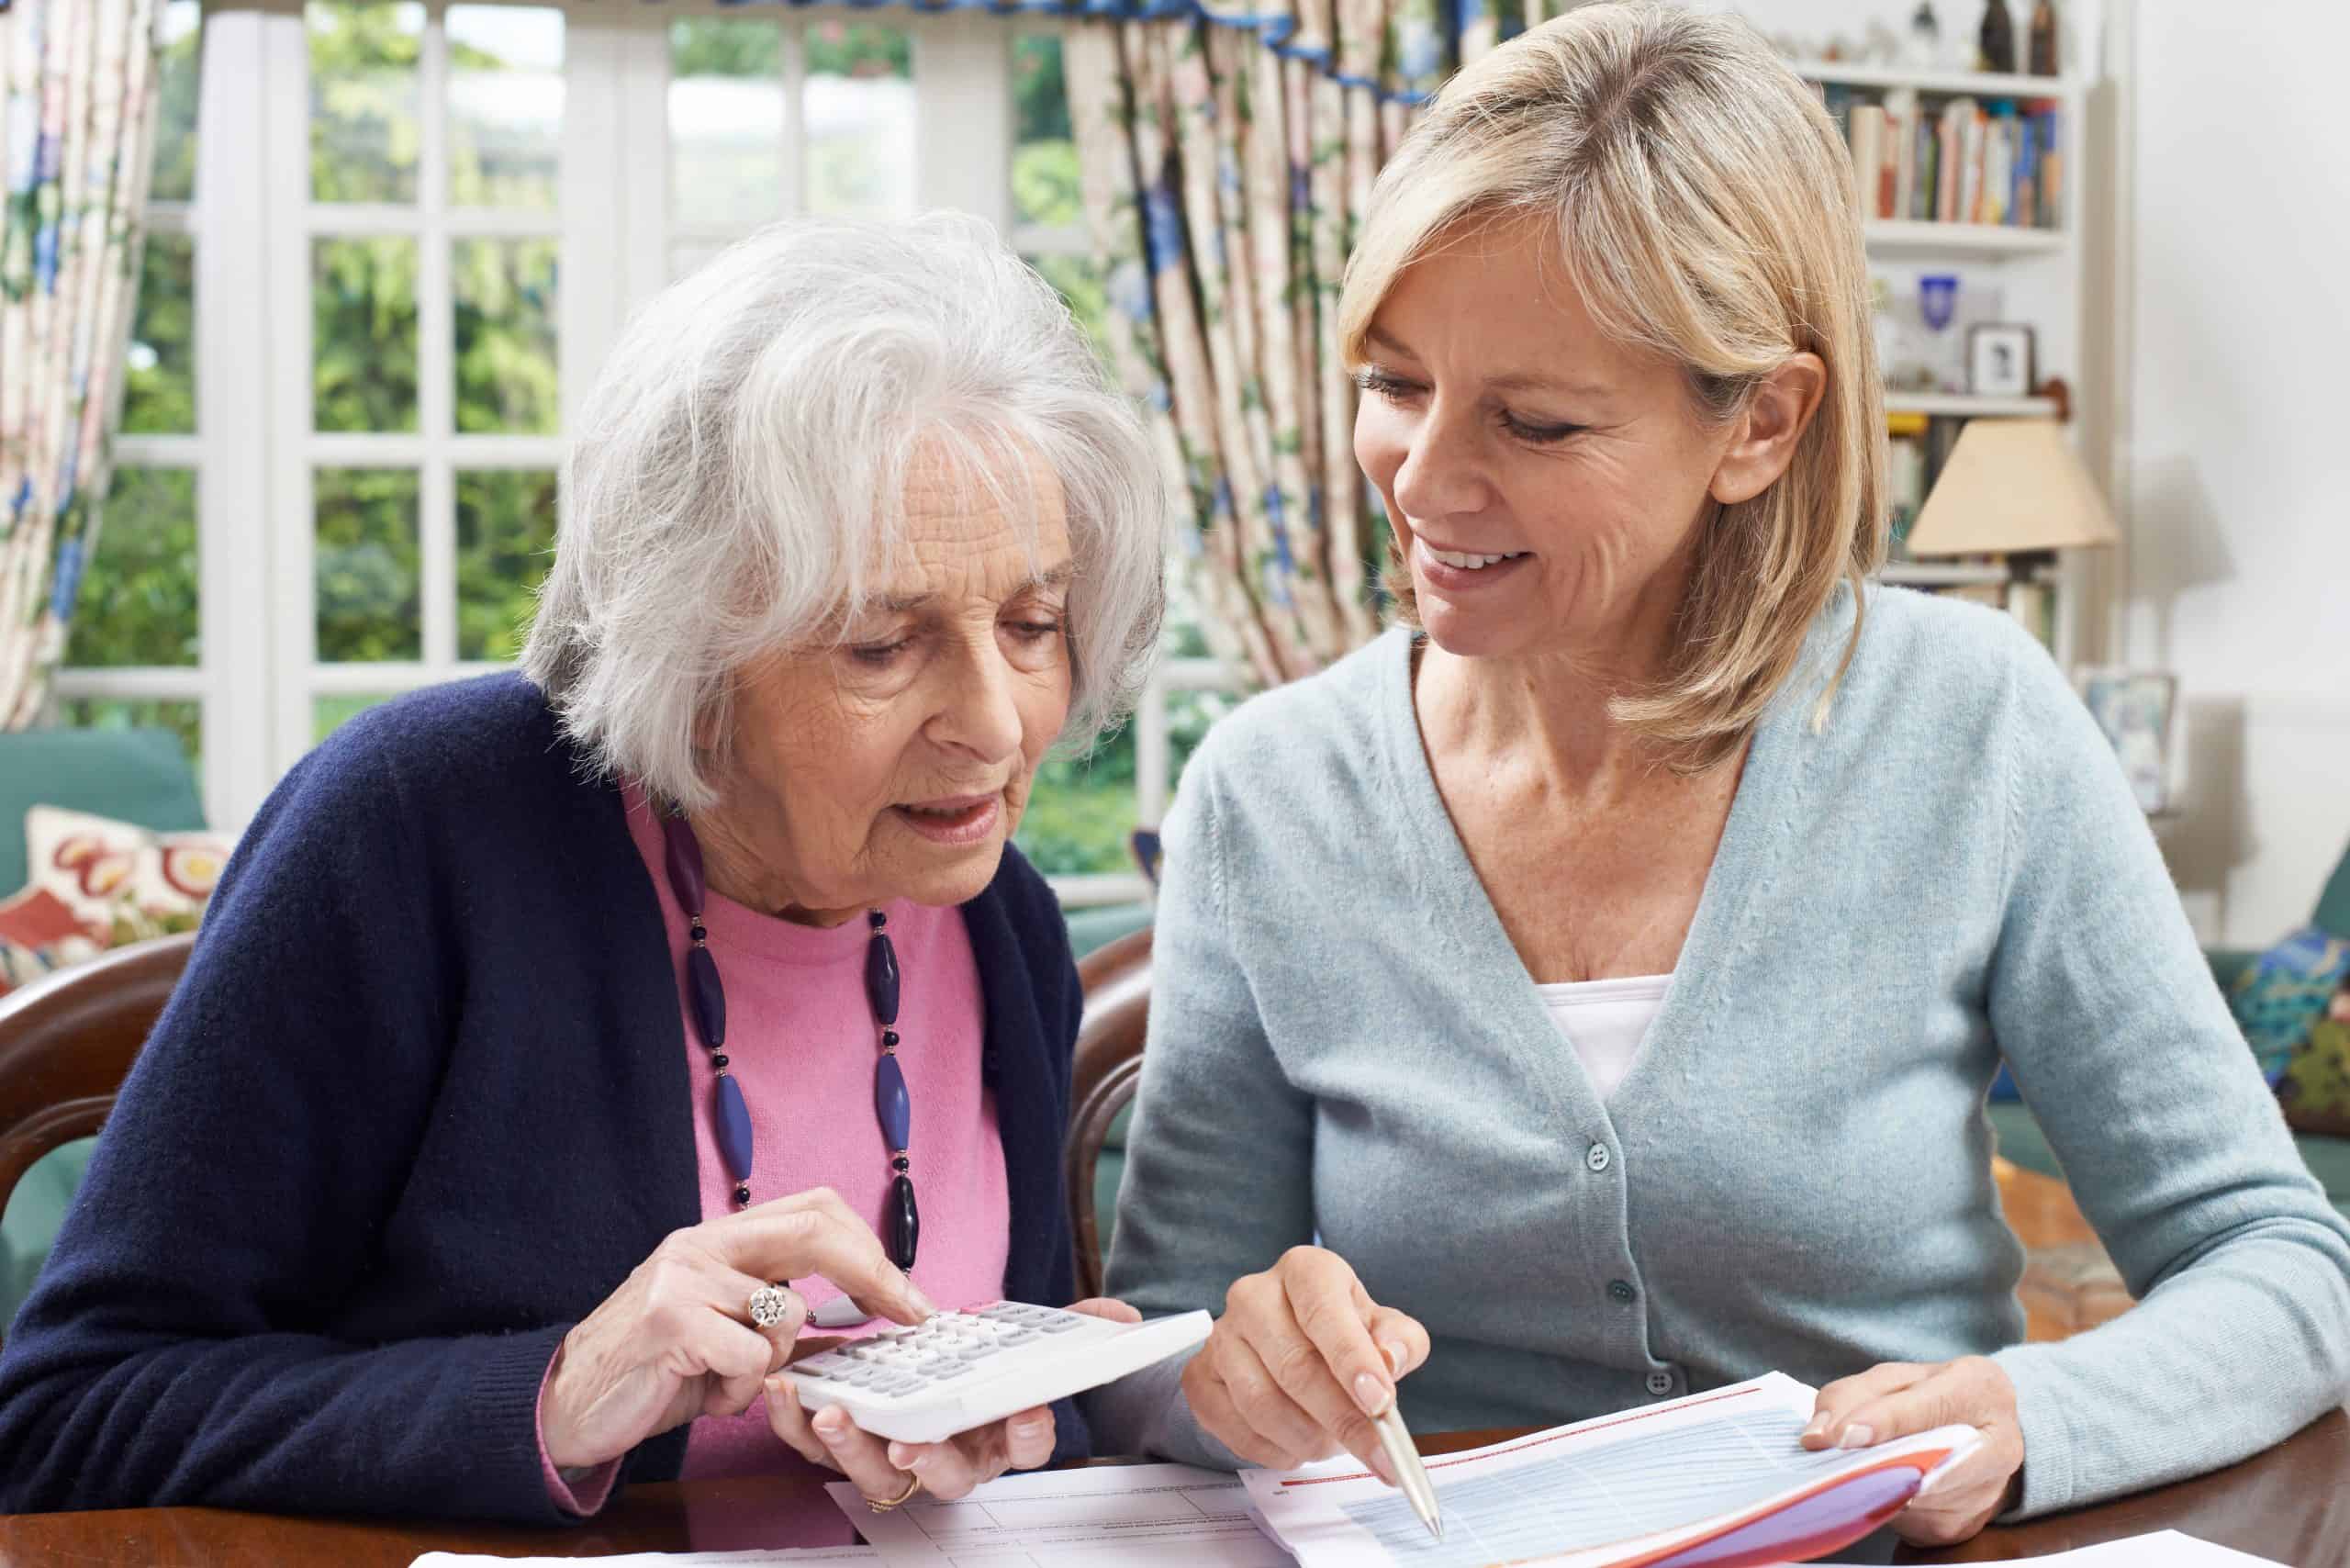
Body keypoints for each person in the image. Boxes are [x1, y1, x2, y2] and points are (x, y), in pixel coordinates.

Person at [1089, 3, 2350, 1547]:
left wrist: (2039, 1415)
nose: (1420, 481)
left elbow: (2282, 1262)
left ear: (1760, 421)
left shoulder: (1972, 728)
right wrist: (1225, 1377)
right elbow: (1153, 1344)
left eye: (1535, 421)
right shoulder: (1266, 793)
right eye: (1395, 382)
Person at [0, 213, 1166, 1524]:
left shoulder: (996, 913)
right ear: (693, 651)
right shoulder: (414, 830)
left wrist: (1017, 1423)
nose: (998, 725)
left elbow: (1010, 1435)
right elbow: (65, 1414)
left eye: (1032, 625)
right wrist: (562, 1391)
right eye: (882, 647)